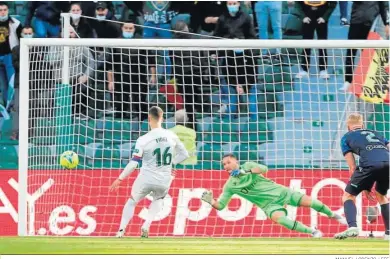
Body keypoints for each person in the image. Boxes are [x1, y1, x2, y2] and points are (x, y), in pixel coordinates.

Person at [201, 154, 347, 237]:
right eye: (224, 165)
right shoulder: (229, 185)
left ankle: (332, 215)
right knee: (282, 220)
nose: (226, 165)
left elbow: (264, 168)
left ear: (236, 162)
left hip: (282, 192)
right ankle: (312, 231)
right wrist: (211, 201)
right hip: (269, 205)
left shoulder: (248, 166)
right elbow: (220, 206)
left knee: (313, 203)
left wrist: (247, 172)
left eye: (228, 162)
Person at [110, 106, 189, 238]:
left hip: (146, 177)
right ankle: (146, 225)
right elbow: (184, 154)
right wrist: (172, 163)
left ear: (149, 118)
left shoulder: (143, 139)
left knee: (132, 201)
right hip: (164, 179)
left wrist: (120, 178)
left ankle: (121, 231)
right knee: (159, 198)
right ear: (162, 117)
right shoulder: (171, 135)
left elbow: (134, 163)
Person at [335, 113, 389, 240]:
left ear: (348, 127)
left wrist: (363, 186)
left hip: (369, 165)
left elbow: (352, 166)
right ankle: (389, 233)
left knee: (348, 195)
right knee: (382, 196)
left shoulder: (346, 137)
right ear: (362, 125)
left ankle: (353, 227)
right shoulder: (376, 133)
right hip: (388, 164)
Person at [107, 19, 157, 120]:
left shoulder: (142, 41)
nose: (128, 30)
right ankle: (120, 128)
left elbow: (151, 60)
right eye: (126, 28)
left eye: (130, 28)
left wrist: (153, 75)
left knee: (140, 105)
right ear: (122, 28)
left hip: (139, 78)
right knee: (121, 106)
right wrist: (110, 81)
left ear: (134, 29)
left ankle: (142, 126)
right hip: (121, 78)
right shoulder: (115, 42)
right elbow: (110, 64)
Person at [340, 1, 389, 91]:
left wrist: (387, 23)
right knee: (350, 52)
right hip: (356, 22)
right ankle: (348, 81)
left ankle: (366, 83)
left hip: (370, 24)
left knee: (367, 55)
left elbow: (384, 7)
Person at [295, 1, 336, 79]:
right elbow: (297, 3)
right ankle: (304, 69)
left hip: (321, 19)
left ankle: (323, 70)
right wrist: (303, 16)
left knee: (322, 45)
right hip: (307, 18)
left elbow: (333, 3)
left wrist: (325, 17)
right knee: (306, 44)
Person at [0, 2, 22, 110]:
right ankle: (6, 108)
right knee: (3, 85)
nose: (3, 12)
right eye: (0, 10)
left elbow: (21, 40)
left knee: (11, 83)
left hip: (9, 56)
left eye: (5, 10)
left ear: (8, 11)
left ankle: (14, 107)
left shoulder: (16, 23)